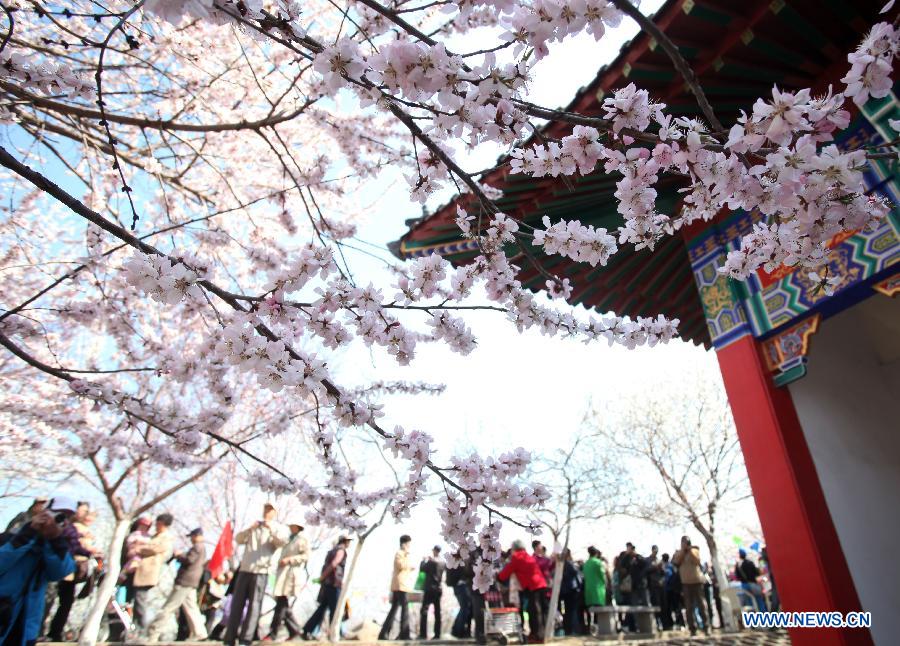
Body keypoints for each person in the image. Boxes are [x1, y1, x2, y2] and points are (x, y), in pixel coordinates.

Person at [0, 495, 76, 646]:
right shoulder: (12, 537)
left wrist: (54, 539)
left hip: (26, 625)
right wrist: (29, 533)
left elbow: (60, 572)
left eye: (67, 517)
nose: (62, 520)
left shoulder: (56, 547)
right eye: (58, 514)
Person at [225, 502, 289, 646]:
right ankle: (229, 639)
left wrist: (271, 529)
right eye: (265, 509)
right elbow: (238, 539)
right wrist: (250, 529)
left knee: (254, 606)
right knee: (236, 605)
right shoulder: (254, 525)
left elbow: (281, 542)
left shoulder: (278, 528)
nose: (267, 512)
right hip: (245, 569)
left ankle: (245, 639)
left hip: (262, 571)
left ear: (275, 513)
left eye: (270, 510)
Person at [47, 501, 100, 641]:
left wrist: (90, 554)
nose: (84, 514)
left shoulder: (73, 528)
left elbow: (75, 546)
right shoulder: (71, 527)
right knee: (53, 599)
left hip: (72, 567)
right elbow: (73, 546)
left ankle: (55, 632)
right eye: (82, 511)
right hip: (61, 565)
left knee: (66, 600)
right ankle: (50, 632)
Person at [146, 527, 208, 642]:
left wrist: (179, 555)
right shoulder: (202, 548)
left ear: (197, 535)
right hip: (192, 581)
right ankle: (200, 632)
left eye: (192, 537)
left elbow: (189, 560)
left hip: (185, 581)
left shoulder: (197, 547)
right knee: (191, 608)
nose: (191, 539)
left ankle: (153, 632)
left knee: (169, 607)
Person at [498, 539, 548, 644]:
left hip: (534, 586)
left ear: (514, 548)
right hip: (540, 584)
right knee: (540, 612)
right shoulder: (527, 555)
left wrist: (499, 577)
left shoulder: (517, 557)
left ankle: (537, 636)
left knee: (534, 612)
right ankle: (540, 634)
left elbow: (507, 571)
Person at [302, 535, 351, 640]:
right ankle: (334, 633)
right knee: (336, 610)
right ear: (345, 541)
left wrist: (323, 578)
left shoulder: (331, 551)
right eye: (349, 541)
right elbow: (334, 564)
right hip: (334, 584)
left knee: (322, 608)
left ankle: (308, 629)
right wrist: (322, 577)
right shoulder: (341, 551)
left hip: (327, 584)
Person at [133, 513, 175, 633]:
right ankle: (135, 626)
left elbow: (156, 549)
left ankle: (140, 628)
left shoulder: (166, 537)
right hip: (140, 569)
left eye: (158, 523)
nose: (156, 525)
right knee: (137, 599)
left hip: (149, 571)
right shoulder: (154, 536)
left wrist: (140, 549)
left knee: (141, 599)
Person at [267, 521, 309, 641]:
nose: (290, 527)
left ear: (297, 527)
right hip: (282, 574)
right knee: (283, 603)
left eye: (292, 526)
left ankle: (273, 632)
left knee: (281, 602)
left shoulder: (302, 540)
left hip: (291, 574)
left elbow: (306, 556)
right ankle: (294, 630)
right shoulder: (288, 539)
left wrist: (290, 559)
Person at [378, 534, 415, 641]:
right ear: (404, 544)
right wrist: (409, 564)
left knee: (394, 610)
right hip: (400, 586)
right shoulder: (400, 553)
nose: (409, 546)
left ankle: (384, 634)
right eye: (408, 544)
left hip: (401, 585)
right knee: (405, 609)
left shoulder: (403, 554)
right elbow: (400, 565)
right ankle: (404, 635)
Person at [672, 536, 709, 636]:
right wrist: (683, 551)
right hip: (686, 583)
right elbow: (676, 562)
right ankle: (692, 629)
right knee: (689, 607)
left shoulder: (694, 550)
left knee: (702, 605)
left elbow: (697, 560)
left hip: (697, 581)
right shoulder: (679, 553)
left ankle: (706, 627)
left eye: (686, 542)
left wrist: (690, 550)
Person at [418, 545, 445, 639]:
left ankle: (423, 634)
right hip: (438, 589)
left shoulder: (430, 561)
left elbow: (422, 569)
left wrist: (423, 560)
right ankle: (437, 634)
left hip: (429, 589)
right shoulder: (443, 562)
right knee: (437, 612)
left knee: (424, 610)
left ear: (434, 551)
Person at [446, 557, 473, 639]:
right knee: (464, 608)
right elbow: (465, 573)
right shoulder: (460, 561)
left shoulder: (456, 560)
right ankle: (458, 631)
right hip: (460, 586)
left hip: (458, 586)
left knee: (464, 608)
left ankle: (456, 630)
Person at [558, 549, 582, 635]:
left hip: (563, 591)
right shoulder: (570, 564)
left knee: (566, 611)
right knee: (572, 611)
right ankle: (573, 630)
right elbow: (577, 576)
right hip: (572, 590)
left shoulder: (560, 565)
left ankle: (568, 629)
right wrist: (579, 588)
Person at [647, 545, 664, 630]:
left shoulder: (659, 560)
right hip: (651, 585)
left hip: (659, 585)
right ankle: (656, 622)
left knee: (661, 604)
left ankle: (661, 622)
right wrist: (654, 567)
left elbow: (663, 573)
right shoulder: (648, 560)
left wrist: (661, 567)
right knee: (654, 603)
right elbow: (646, 570)